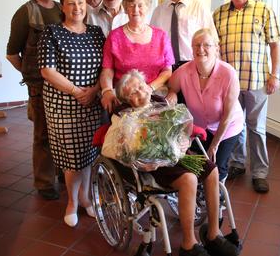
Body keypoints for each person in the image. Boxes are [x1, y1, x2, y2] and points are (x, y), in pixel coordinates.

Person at [102, 69, 239, 256]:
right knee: (189, 179)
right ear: (127, 100)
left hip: (178, 154)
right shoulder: (123, 116)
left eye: (141, 86)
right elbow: (119, 148)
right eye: (133, 92)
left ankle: (213, 234)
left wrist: (184, 140)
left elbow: (180, 128)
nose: (141, 93)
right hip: (153, 164)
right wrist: (143, 159)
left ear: (148, 86)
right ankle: (188, 244)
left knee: (212, 170)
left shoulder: (161, 102)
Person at [38, 0, 105, 227]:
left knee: (88, 153)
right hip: (63, 106)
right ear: (63, 7)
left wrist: (95, 90)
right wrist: (78, 92)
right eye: (71, 3)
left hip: (91, 103)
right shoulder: (52, 32)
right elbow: (47, 70)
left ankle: (86, 198)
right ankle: (72, 202)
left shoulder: (96, 32)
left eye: (80, 2)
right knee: (72, 158)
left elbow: (106, 68)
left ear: (86, 5)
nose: (77, 8)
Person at [213, 0, 280, 193]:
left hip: (257, 81)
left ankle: (260, 172)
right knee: (234, 127)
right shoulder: (219, 13)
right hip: (230, 85)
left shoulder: (264, 10)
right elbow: (214, 48)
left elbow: (275, 44)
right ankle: (237, 163)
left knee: (257, 129)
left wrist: (275, 74)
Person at [6, 0, 61, 200]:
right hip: (39, 86)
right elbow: (12, 54)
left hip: (63, 84)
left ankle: (61, 173)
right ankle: (44, 182)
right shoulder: (25, 13)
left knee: (60, 133)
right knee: (43, 135)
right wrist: (31, 76)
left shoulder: (62, 9)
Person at [167, 29, 244, 182]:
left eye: (206, 45)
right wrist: (172, 94)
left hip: (227, 126)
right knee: (198, 163)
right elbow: (171, 87)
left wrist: (214, 145)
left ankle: (219, 196)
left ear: (216, 48)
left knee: (217, 165)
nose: (200, 49)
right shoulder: (184, 71)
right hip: (202, 126)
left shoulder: (228, 74)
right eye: (196, 45)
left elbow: (227, 117)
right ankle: (202, 191)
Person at [100, 0, 174, 114]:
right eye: (131, 5)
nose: (135, 10)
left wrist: (149, 88)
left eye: (140, 5)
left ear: (147, 8)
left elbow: (167, 71)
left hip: (155, 96)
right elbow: (107, 70)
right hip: (126, 99)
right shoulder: (114, 36)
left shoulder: (161, 36)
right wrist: (106, 91)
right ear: (125, 8)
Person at [150, 0, 217, 70]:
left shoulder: (199, 7)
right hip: (165, 68)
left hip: (194, 66)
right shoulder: (158, 11)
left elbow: (212, 40)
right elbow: (152, 44)